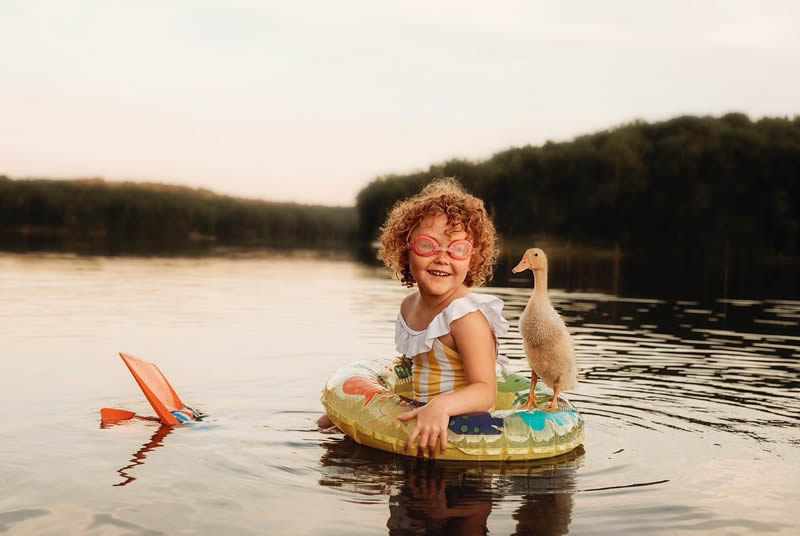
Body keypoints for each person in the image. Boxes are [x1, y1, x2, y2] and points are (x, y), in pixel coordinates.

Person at [319, 178, 509, 456]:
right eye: (427, 246)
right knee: (327, 423)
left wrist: (441, 406)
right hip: (422, 410)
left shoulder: (466, 318)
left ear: (473, 258)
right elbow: (417, 369)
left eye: (457, 249)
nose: (442, 258)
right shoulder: (409, 305)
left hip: (466, 427)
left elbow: (484, 391)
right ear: (405, 249)